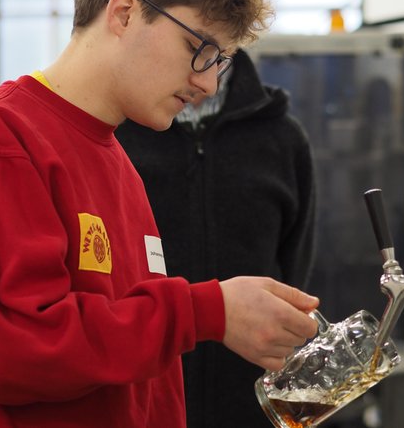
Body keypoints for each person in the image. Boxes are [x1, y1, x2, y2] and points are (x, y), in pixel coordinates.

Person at [0, 0, 321, 427]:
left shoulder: (116, 160)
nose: (208, 83)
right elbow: (9, 350)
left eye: (221, 62)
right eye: (198, 48)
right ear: (123, 13)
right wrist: (205, 311)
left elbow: (136, 378)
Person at [116, 48, 316, 428]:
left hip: (251, 400)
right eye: (190, 44)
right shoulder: (118, 134)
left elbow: (293, 271)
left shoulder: (283, 139)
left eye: (215, 52)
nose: (202, 76)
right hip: (140, 395)